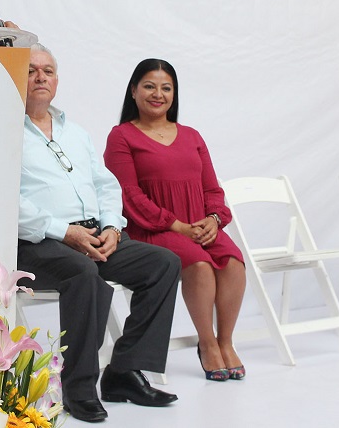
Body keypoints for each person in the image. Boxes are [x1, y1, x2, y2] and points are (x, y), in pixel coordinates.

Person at [17, 44, 181, 423]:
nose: (41, 77)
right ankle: (78, 388)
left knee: (162, 263)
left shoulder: (75, 131)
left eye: (48, 70)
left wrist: (111, 227)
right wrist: (65, 232)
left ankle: (124, 371)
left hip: (93, 235)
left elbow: (106, 184)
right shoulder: (3, 132)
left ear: (57, 80)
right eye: (31, 70)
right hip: (38, 242)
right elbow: (6, 201)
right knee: (83, 272)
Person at [104, 58, 246, 381]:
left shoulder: (192, 136)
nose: (158, 94)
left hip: (199, 226)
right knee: (199, 265)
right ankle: (207, 343)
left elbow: (211, 188)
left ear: (174, 94)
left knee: (233, 261)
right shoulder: (122, 136)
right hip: (152, 228)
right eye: (149, 86)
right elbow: (128, 195)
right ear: (133, 91)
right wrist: (176, 225)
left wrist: (213, 219)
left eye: (166, 88)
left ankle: (225, 341)